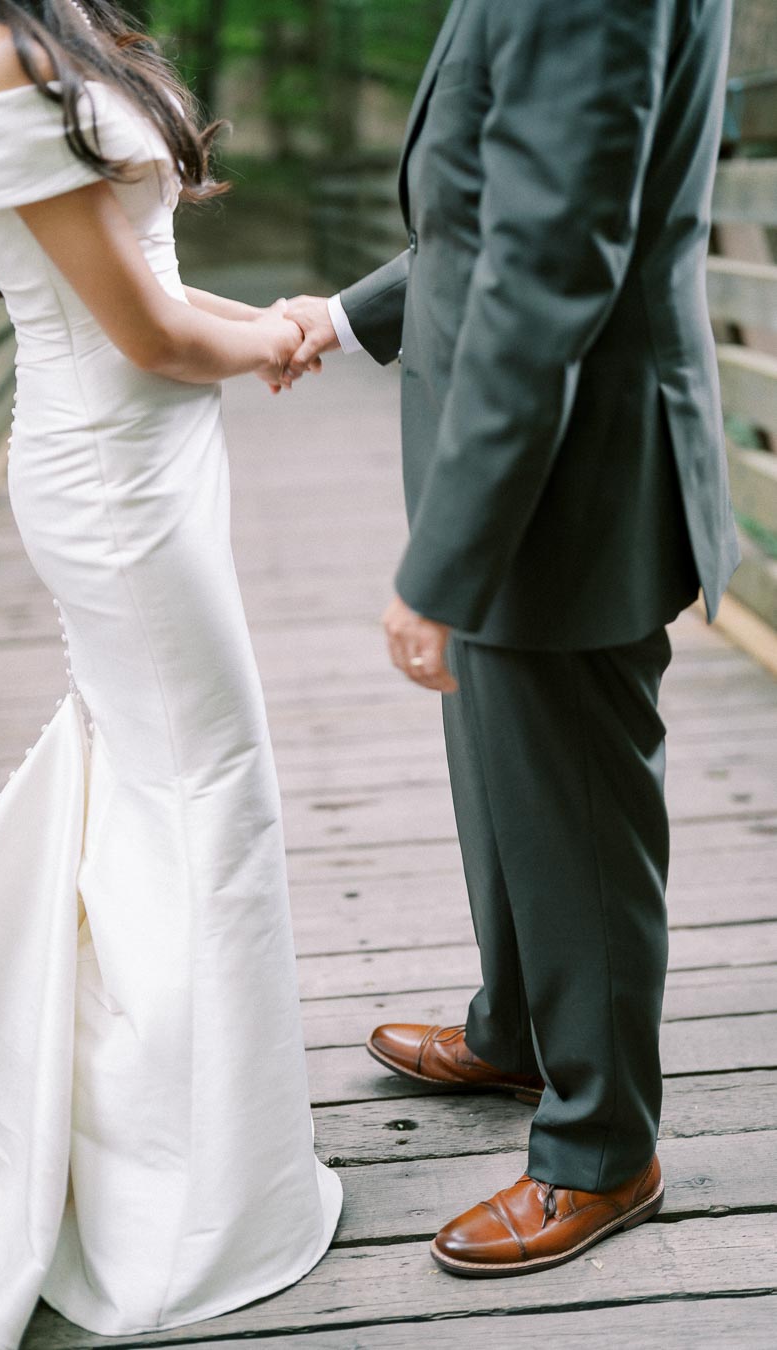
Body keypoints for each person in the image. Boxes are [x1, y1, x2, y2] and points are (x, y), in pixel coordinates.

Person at [0, 2, 341, 1346]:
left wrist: (267, 318)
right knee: (214, 790)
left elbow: (145, 274)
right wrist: (291, 332)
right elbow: (144, 335)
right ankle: (195, 1193)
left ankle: (162, 1122)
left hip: (152, 461)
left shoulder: (48, 22)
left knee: (165, 788)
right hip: (109, 470)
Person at [285, 0, 740, 1277]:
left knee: (577, 807)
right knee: (506, 783)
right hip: (520, 455)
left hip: (568, 478)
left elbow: (552, 257)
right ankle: (524, 1028)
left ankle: (604, 1151)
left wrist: (446, 562)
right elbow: (488, 202)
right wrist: (349, 310)